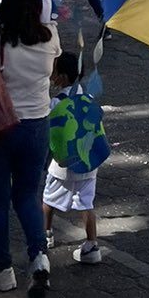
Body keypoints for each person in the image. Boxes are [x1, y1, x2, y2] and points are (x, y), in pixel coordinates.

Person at [0, 0, 61, 298]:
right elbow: (51, 70)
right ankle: (39, 256)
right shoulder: (50, 36)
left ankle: (3, 269)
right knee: (27, 195)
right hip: (36, 126)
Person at [42, 51, 106, 266]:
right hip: (88, 162)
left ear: (61, 77)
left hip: (64, 165)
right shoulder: (88, 97)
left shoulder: (56, 103)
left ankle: (46, 234)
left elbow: (50, 134)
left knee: (49, 200)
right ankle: (92, 245)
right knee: (86, 204)